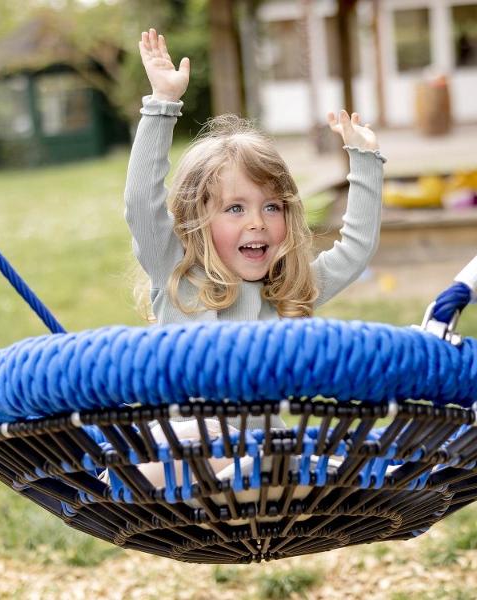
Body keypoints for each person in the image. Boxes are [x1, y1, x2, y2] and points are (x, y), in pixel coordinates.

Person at [117, 28, 385, 493]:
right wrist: (162, 103)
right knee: (200, 440)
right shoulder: (179, 274)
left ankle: (323, 484)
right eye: (235, 208)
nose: (257, 223)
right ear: (196, 219)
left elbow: (356, 247)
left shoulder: (289, 292)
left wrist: (364, 160)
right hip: (180, 457)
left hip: (258, 466)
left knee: (317, 452)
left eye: (271, 207)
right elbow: (141, 202)